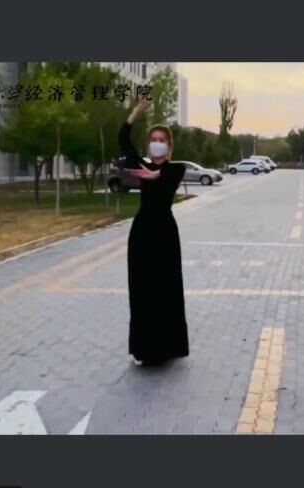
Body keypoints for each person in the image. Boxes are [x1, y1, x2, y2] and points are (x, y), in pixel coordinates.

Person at [119, 98, 188, 366]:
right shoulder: (142, 165)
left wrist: (156, 175)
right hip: (142, 233)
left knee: (166, 289)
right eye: (153, 139)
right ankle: (144, 348)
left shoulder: (174, 169)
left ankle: (168, 347)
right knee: (142, 289)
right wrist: (136, 112)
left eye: (162, 140)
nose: (156, 143)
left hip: (165, 234)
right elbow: (123, 139)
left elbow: (172, 173)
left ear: (169, 146)